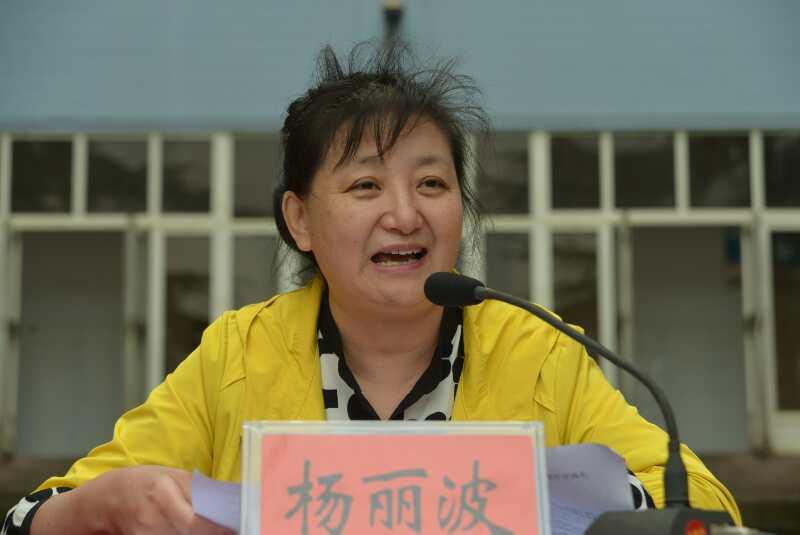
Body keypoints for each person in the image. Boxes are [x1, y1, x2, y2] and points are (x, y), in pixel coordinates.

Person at [3, 41, 740, 535]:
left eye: (432, 183)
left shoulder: (537, 349)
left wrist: (600, 506)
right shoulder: (238, 354)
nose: (405, 214)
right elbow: (27, 517)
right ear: (300, 219)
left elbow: (706, 505)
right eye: (365, 185)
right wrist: (105, 504)